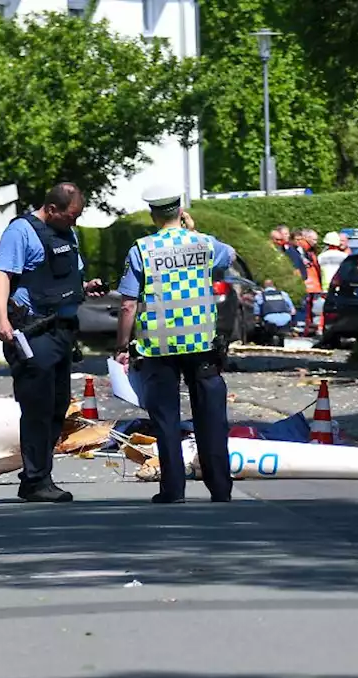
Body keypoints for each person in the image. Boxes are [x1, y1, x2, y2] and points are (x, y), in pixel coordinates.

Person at [113, 184, 235, 504]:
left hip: (158, 349)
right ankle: (220, 489)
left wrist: (122, 345)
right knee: (211, 418)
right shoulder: (205, 244)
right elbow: (230, 256)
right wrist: (195, 232)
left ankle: (173, 489)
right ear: (181, 211)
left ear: (154, 214)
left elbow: (128, 305)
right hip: (203, 345)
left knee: (166, 420)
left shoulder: (141, 249)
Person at [0, 182, 106, 503]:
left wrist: (88, 285)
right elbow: (2, 276)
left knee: (57, 406)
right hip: (31, 332)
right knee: (37, 407)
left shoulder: (67, 233)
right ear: (52, 209)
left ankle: (39, 475)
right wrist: (2, 320)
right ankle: (35, 480)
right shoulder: (21, 232)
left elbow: (66, 276)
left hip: (62, 331)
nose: (75, 222)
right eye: (71, 216)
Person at [254, 279, 297, 346]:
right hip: (286, 321)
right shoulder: (283, 294)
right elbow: (293, 311)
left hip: (270, 323)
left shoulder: (260, 296)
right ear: (273, 286)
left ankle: (267, 341)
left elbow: (257, 313)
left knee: (260, 325)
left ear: (264, 287)